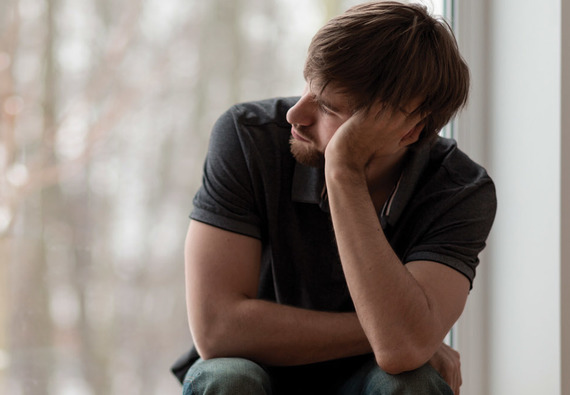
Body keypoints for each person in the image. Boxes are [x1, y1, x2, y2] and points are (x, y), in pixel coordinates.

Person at [171, 2, 497, 394]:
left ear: (408, 129)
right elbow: (217, 331)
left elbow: (398, 354)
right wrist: (400, 332)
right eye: (308, 85)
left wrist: (342, 171)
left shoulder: (459, 190)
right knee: (226, 379)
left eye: (328, 106)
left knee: (413, 383)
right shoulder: (248, 138)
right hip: (257, 370)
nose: (296, 113)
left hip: (368, 380)